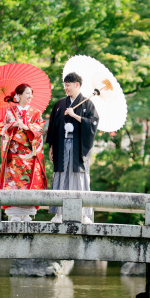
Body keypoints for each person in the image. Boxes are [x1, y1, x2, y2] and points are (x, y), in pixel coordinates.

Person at [45, 72, 99, 224]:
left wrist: (75, 115)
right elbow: (53, 126)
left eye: (68, 85)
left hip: (78, 148)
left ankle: (83, 214)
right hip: (61, 145)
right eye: (64, 85)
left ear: (77, 85)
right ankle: (58, 214)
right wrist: (52, 146)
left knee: (79, 179)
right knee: (61, 177)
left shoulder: (88, 104)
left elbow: (93, 124)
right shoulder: (60, 104)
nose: (66, 88)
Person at [0, 83, 47, 222]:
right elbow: (2, 128)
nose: (30, 96)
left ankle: (27, 214)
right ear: (19, 95)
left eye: (31, 93)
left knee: (28, 183)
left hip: (29, 154)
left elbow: (39, 129)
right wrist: (12, 125)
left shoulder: (36, 112)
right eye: (27, 93)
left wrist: (26, 127)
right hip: (14, 154)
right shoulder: (10, 112)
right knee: (13, 183)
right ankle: (14, 214)